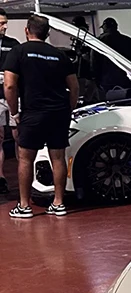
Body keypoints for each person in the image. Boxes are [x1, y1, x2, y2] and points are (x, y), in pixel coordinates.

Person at [4, 14, 79, 218]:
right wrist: (68, 109)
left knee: (26, 158)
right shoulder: (60, 55)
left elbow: (9, 85)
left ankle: (24, 206)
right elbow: (74, 87)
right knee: (58, 157)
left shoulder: (18, 52)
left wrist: (15, 112)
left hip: (33, 112)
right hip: (59, 112)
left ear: (27, 30)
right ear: (47, 33)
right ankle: (59, 203)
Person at [92, 17, 131, 99]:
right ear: (116, 26)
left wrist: (96, 80)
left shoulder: (99, 41)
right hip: (127, 79)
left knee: (110, 103)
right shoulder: (127, 40)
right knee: (128, 100)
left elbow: (94, 62)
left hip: (106, 81)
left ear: (105, 27)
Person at [0, 8, 20, 195]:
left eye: (6, 23)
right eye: (1, 23)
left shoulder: (13, 44)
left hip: (14, 95)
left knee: (19, 135)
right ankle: (1, 178)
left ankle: (25, 175)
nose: (5, 26)